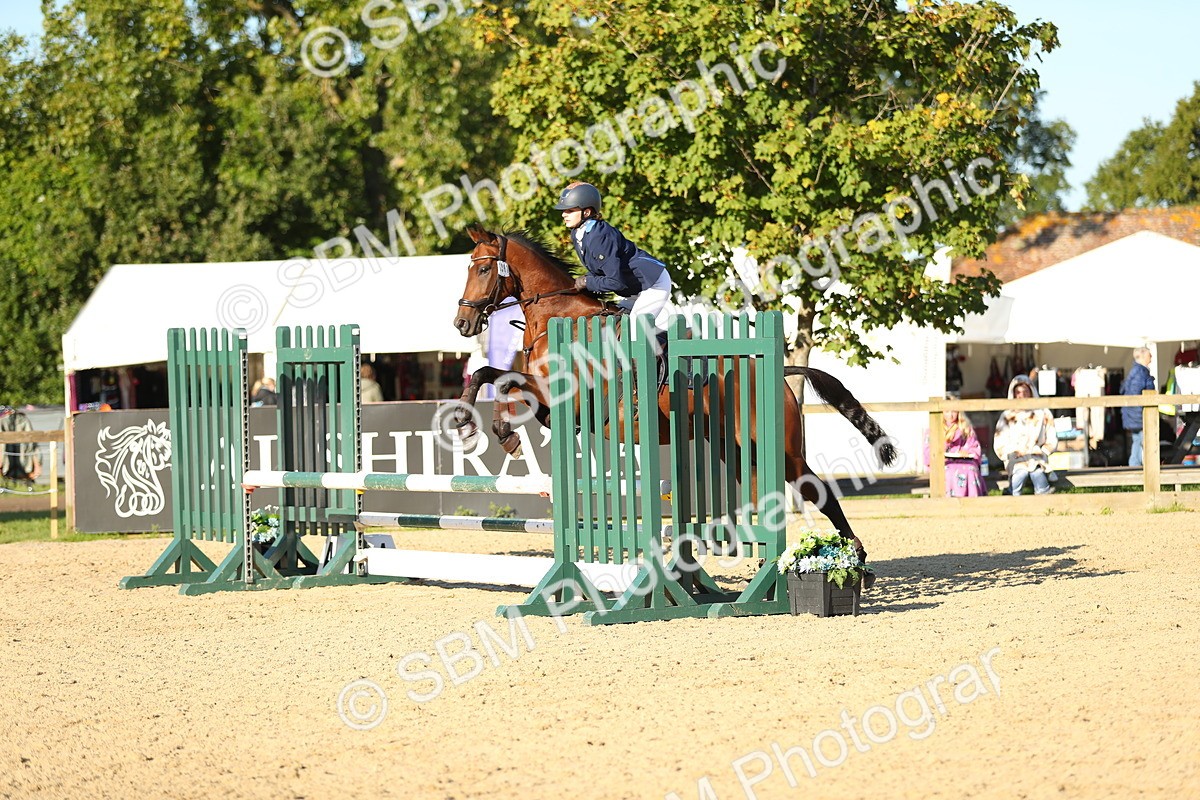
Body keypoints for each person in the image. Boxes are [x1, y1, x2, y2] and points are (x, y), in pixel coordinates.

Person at [555, 181, 674, 333]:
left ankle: (664, 347)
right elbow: (599, 270)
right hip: (634, 289)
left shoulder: (600, 236)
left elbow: (615, 282)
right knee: (613, 324)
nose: (564, 214)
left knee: (634, 332)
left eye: (570, 210)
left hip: (652, 284)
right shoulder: (578, 233)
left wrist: (587, 282)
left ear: (587, 212)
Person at [994, 375, 1057, 495]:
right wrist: (1010, 454)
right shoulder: (1007, 415)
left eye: (1025, 392)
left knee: (1037, 473)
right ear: (1013, 394)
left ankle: (1044, 496)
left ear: (1032, 392)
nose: (1022, 395)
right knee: (1020, 473)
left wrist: (1043, 451)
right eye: (1018, 392)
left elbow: (1051, 437)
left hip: (1037, 456)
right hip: (1015, 457)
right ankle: (1013, 497)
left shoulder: (1042, 413)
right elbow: (999, 441)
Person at [933, 410, 986, 497]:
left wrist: (967, 452)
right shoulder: (935, 428)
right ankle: (948, 500)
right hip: (944, 462)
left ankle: (972, 500)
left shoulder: (965, 427)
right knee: (949, 471)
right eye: (947, 412)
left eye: (953, 412)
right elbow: (930, 451)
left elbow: (974, 446)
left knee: (971, 470)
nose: (950, 415)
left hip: (965, 462)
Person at [1120, 347, 1156, 467]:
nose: (1151, 357)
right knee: (1144, 439)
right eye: (1149, 354)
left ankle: (1135, 464)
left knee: (1138, 439)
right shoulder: (1140, 372)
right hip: (1138, 413)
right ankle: (1140, 465)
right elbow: (1135, 394)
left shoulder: (1137, 371)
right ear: (1142, 356)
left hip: (1134, 413)